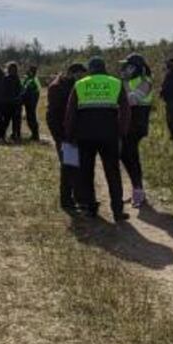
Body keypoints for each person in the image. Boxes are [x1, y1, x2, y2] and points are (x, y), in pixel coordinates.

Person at [64, 56, 131, 221]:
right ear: (104, 67)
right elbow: (126, 110)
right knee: (113, 173)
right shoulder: (115, 83)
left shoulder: (80, 84)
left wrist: (69, 135)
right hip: (109, 135)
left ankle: (90, 209)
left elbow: (70, 113)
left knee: (86, 172)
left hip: (84, 136)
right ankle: (117, 211)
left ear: (90, 69)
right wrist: (122, 131)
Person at [46, 62, 87, 211]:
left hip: (73, 133)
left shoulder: (69, 85)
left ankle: (78, 198)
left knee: (75, 166)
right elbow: (52, 115)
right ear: (74, 73)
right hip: (65, 135)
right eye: (81, 75)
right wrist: (61, 136)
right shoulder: (58, 87)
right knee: (69, 166)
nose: (83, 79)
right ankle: (67, 201)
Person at [120, 53, 154, 208]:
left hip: (137, 124)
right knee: (125, 155)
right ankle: (137, 189)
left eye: (128, 66)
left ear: (135, 68)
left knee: (130, 155)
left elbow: (132, 100)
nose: (124, 68)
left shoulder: (145, 81)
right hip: (128, 123)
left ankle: (138, 192)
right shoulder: (132, 81)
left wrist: (125, 82)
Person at [3, 62, 23, 141]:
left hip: (7, 102)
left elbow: (3, 90)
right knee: (16, 120)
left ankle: (3, 134)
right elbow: (20, 90)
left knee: (6, 120)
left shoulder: (6, 78)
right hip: (16, 102)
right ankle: (16, 135)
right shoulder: (17, 78)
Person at [22, 65, 41, 141]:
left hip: (31, 102)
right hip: (29, 102)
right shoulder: (29, 79)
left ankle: (35, 135)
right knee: (30, 118)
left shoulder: (32, 80)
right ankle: (34, 134)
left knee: (31, 118)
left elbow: (34, 92)